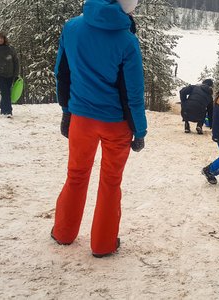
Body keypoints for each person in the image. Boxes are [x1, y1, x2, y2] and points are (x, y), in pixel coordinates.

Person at [51, 0, 147, 258]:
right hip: (116, 125)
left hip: (81, 119)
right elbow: (134, 93)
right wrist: (139, 130)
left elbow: (62, 73)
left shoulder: (71, 28)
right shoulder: (127, 41)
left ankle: (63, 232)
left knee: (76, 175)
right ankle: (103, 244)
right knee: (110, 182)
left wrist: (66, 111)